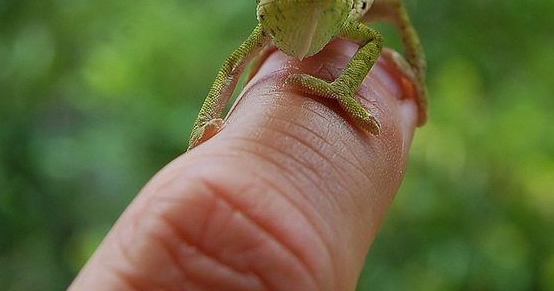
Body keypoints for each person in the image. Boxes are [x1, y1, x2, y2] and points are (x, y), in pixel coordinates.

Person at [68, 40, 422, 291]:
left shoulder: (342, 11)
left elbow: (375, 33)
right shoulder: (271, 21)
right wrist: (204, 124)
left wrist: (344, 88)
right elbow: (231, 66)